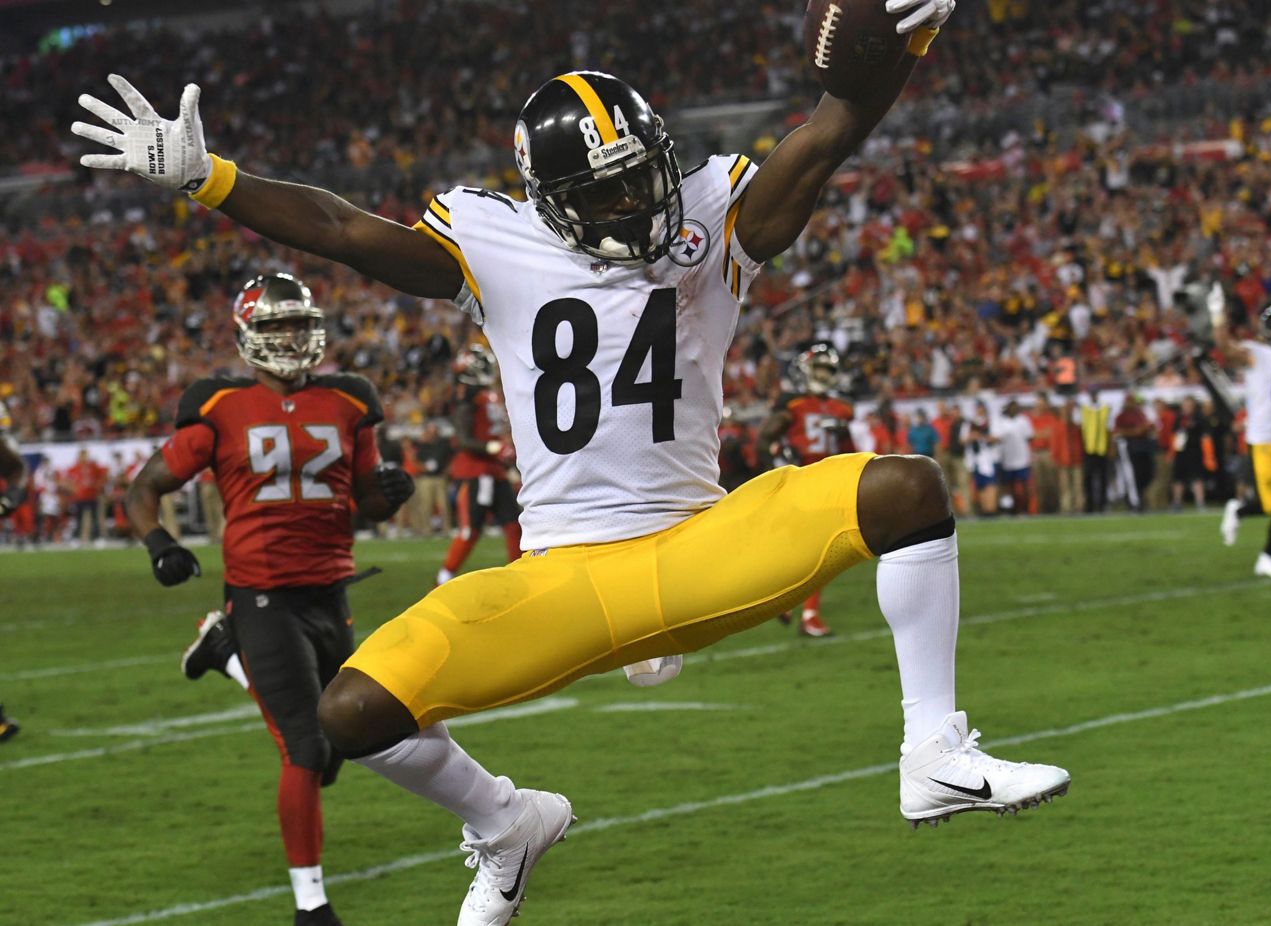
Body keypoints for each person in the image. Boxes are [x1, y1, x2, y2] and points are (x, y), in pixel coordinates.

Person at [76, 12, 1071, 923]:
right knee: (352, 710)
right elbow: (343, 232)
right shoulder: (490, 236)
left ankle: (933, 750)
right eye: (605, 191)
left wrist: (899, 46)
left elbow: (828, 130)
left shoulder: (707, 212)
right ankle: (507, 822)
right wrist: (214, 179)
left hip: (699, 541)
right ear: (547, 199)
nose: (636, 202)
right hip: (560, 571)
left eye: (642, 175)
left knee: (903, 488)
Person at [123, 273, 416, 926]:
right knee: (306, 750)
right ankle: (311, 904)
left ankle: (223, 654)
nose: (290, 337)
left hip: (330, 586)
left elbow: (364, 500)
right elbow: (142, 488)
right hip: (260, 594)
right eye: (276, 326)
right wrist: (159, 544)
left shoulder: (349, 400)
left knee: (343, 740)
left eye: (298, 325)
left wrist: (389, 493)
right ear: (250, 334)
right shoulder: (220, 405)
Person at [757, 343, 854, 637]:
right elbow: (764, 439)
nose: (823, 376)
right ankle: (800, 609)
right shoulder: (793, 403)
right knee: (811, 550)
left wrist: (843, 434)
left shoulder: (841, 408)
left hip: (828, 482)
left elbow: (850, 451)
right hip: (799, 480)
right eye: (818, 369)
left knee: (817, 551)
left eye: (828, 370)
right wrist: (778, 453)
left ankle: (794, 606)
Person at [436, 345, 521, 586]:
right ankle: (443, 577)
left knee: (514, 524)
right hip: (477, 472)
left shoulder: (487, 394)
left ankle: (519, 573)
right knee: (470, 529)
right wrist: (492, 448)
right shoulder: (467, 398)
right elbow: (463, 439)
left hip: (495, 471)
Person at [1216, 304, 1271, 577]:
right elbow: (1225, 349)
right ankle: (1240, 510)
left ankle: (1267, 557)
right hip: (1264, 440)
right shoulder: (1257, 353)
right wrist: (1217, 315)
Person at [1170, 395, 1209, 511]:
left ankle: (1200, 502)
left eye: (1189, 405)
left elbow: (1205, 436)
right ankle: (1177, 502)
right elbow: (1174, 435)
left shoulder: (1199, 418)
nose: (1187, 408)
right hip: (1180, 451)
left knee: (1197, 477)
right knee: (1178, 478)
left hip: (1194, 451)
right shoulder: (1178, 418)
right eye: (1185, 405)